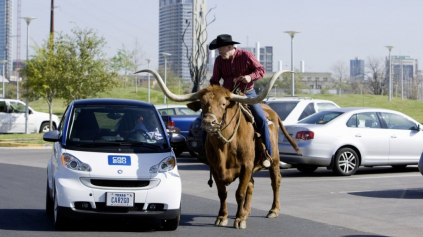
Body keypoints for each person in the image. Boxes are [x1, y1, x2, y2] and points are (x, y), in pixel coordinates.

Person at [209, 34, 272, 167]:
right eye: (218, 49)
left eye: (221, 48)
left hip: (247, 94)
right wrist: (212, 93)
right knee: (209, 119)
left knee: (261, 119)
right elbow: (215, 80)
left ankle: (267, 153)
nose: (219, 51)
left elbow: (261, 70)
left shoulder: (246, 55)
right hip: (227, 96)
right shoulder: (219, 60)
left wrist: (250, 77)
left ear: (230, 46)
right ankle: (208, 152)